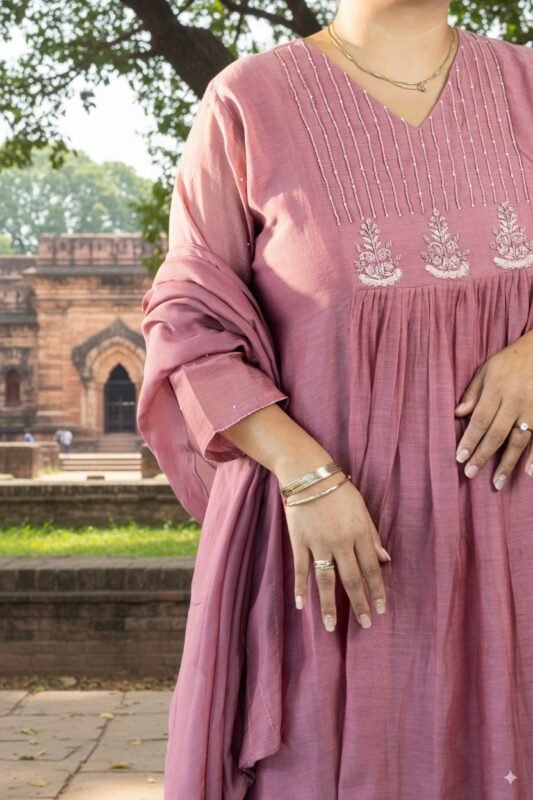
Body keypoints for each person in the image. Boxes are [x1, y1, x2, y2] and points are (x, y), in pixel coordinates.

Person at [137, 0, 533, 797]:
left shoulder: (526, 84)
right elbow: (188, 320)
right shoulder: (246, 101)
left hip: (516, 537)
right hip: (342, 553)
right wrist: (305, 475)